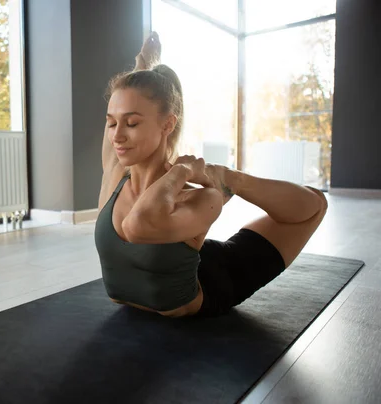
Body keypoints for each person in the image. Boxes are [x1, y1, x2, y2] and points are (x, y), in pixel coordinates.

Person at [94, 32, 328, 318]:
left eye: (131, 123)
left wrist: (190, 171)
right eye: (111, 123)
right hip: (180, 250)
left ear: (168, 124)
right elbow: (131, 99)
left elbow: (138, 225)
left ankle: (236, 178)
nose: (117, 135)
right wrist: (144, 64)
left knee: (316, 205)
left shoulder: (201, 196)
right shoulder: (115, 174)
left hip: (218, 278)